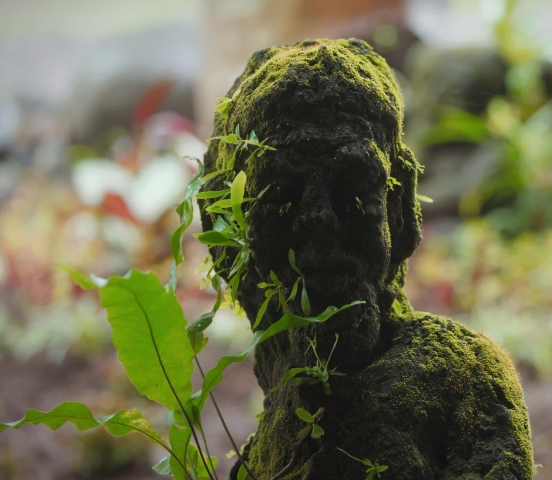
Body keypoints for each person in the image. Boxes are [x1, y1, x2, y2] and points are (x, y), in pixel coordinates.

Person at [199, 38, 533, 479]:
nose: (319, 223)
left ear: (400, 211)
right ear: (230, 240)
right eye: (281, 198)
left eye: (354, 193)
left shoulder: (463, 380)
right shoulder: (268, 449)